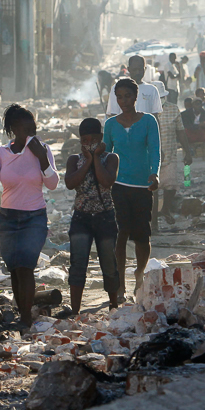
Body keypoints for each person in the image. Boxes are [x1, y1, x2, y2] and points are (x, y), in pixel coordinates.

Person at [0, 105, 59, 327]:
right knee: (15, 268)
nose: (31, 134)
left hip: (34, 217)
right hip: (8, 217)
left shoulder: (42, 150)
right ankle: (22, 311)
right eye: (26, 129)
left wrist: (42, 158)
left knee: (26, 267)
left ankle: (25, 318)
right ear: (14, 129)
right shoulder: (1, 153)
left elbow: (53, 184)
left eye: (33, 128)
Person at [104, 78, 161, 296]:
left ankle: (139, 275)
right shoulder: (110, 125)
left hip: (143, 186)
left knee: (142, 235)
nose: (123, 101)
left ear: (136, 97)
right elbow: (106, 155)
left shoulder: (148, 121)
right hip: (118, 185)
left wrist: (154, 174)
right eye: (119, 96)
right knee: (119, 234)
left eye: (127, 96)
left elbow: (155, 150)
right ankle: (120, 282)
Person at [64, 118, 121, 311]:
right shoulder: (74, 160)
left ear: (101, 139)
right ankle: (75, 311)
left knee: (109, 264)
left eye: (93, 139)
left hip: (105, 217)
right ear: (80, 141)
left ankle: (113, 305)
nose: (89, 143)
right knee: (78, 264)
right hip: (81, 218)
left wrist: (96, 158)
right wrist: (88, 161)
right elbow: (71, 183)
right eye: (85, 140)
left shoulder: (111, 158)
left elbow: (107, 181)